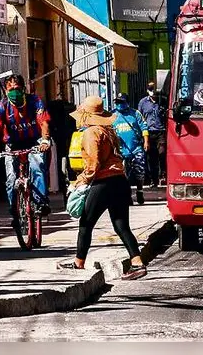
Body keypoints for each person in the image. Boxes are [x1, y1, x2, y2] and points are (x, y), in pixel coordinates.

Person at [59, 96, 147, 280]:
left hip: (103, 183)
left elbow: (93, 163)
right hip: (120, 180)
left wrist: (80, 181)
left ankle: (78, 263)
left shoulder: (91, 133)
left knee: (86, 224)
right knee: (121, 225)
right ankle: (137, 263)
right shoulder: (109, 130)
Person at [0, 74, 52, 225]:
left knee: (37, 166)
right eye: (10, 89)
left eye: (17, 88)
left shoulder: (35, 101)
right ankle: (14, 209)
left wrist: (45, 140)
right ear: (5, 90)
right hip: (13, 143)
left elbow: (44, 123)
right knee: (11, 178)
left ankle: (40, 202)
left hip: (34, 141)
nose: (14, 92)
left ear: (24, 89)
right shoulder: (2, 106)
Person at [113, 93, 148, 205]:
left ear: (127, 102)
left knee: (139, 171)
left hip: (136, 148)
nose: (119, 104)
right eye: (117, 102)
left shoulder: (135, 114)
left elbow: (144, 127)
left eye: (121, 102)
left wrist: (146, 141)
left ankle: (139, 191)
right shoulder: (112, 115)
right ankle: (127, 196)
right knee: (123, 175)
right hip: (121, 151)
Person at [137, 82, 165, 188]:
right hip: (148, 132)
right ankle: (154, 180)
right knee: (151, 157)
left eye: (154, 89)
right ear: (147, 91)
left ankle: (162, 174)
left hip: (161, 131)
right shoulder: (143, 102)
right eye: (150, 89)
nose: (153, 92)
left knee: (162, 153)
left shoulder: (163, 101)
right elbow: (139, 117)